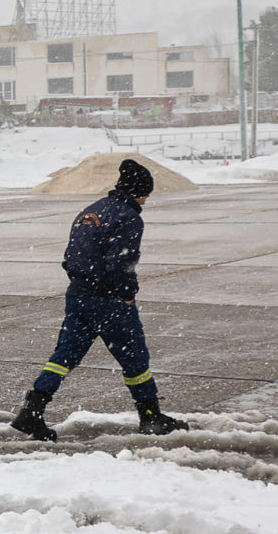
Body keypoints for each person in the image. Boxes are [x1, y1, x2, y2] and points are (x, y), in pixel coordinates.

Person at [11, 158, 189, 441]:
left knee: (64, 357)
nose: (146, 199)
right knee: (135, 358)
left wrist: (83, 284)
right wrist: (126, 294)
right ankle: (151, 417)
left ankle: (32, 411)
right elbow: (122, 262)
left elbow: (69, 257)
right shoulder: (128, 217)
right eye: (146, 194)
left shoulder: (89, 212)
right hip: (110, 301)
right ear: (136, 191)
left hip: (78, 296)